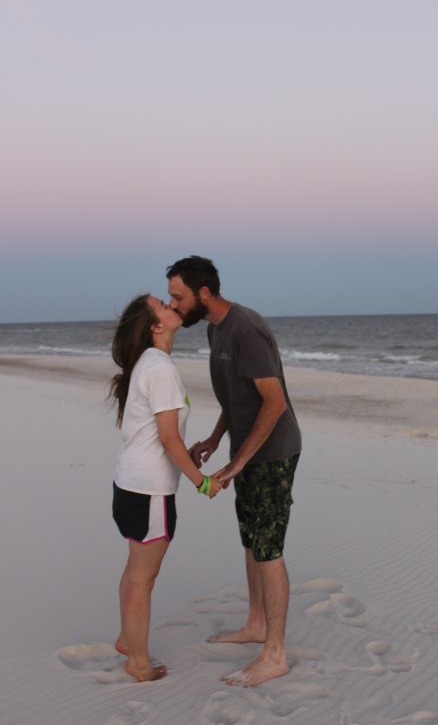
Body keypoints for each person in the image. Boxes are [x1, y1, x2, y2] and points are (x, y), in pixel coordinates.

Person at [167, 256, 301, 687]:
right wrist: (213, 439)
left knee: (268, 548)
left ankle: (275, 654)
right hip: (245, 451)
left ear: (203, 293)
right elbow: (234, 398)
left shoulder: (245, 329)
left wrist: (239, 460)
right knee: (251, 538)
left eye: (178, 297)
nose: (174, 306)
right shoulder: (214, 328)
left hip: (272, 453)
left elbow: (274, 401)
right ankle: (256, 623)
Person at [109, 293, 222, 682]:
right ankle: (138, 662)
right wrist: (201, 481)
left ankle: (127, 639)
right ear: (155, 325)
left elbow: (162, 438)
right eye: (164, 305)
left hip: (130, 485)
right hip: (149, 491)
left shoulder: (150, 364)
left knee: (135, 569)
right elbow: (168, 439)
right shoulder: (160, 368)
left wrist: (186, 457)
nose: (173, 306)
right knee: (144, 578)